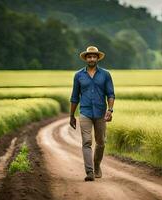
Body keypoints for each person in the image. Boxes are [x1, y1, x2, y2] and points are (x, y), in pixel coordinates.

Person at [69, 46, 115, 181]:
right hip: (85, 112)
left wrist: (110, 110)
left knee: (100, 142)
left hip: (101, 112)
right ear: (85, 58)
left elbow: (111, 94)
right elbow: (74, 97)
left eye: (94, 56)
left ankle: (96, 164)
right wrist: (71, 115)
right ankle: (89, 172)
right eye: (89, 56)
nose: (92, 58)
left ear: (97, 58)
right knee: (87, 142)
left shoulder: (105, 75)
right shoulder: (78, 76)